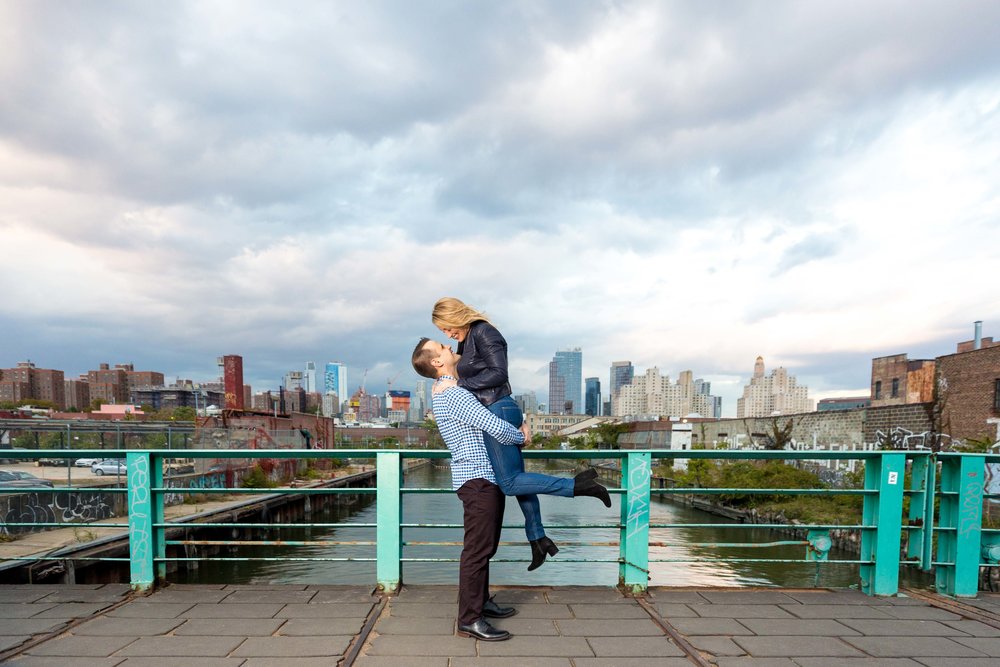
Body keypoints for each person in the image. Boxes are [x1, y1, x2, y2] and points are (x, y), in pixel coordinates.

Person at [412, 337, 610, 641]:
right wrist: (520, 434)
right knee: (477, 552)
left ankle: (483, 602)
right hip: (477, 480)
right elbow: (492, 424)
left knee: (485, 547)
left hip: (483, 478)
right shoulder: (452, 394)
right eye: (443, 348)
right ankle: (469, 619)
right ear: (437, 363)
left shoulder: (448, 390)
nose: (450, 348)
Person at [431, 297, 609, 570]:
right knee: (520, 480)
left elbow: (499, 375)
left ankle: (579, 485)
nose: (447, 334)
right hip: (497, 409)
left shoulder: (484, 332)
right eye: (443, 332)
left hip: (497, 409)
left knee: (511, 483)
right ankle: (538, 539)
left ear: (457, 316)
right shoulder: (467, 339)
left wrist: (458, 383)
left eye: (447, 328)